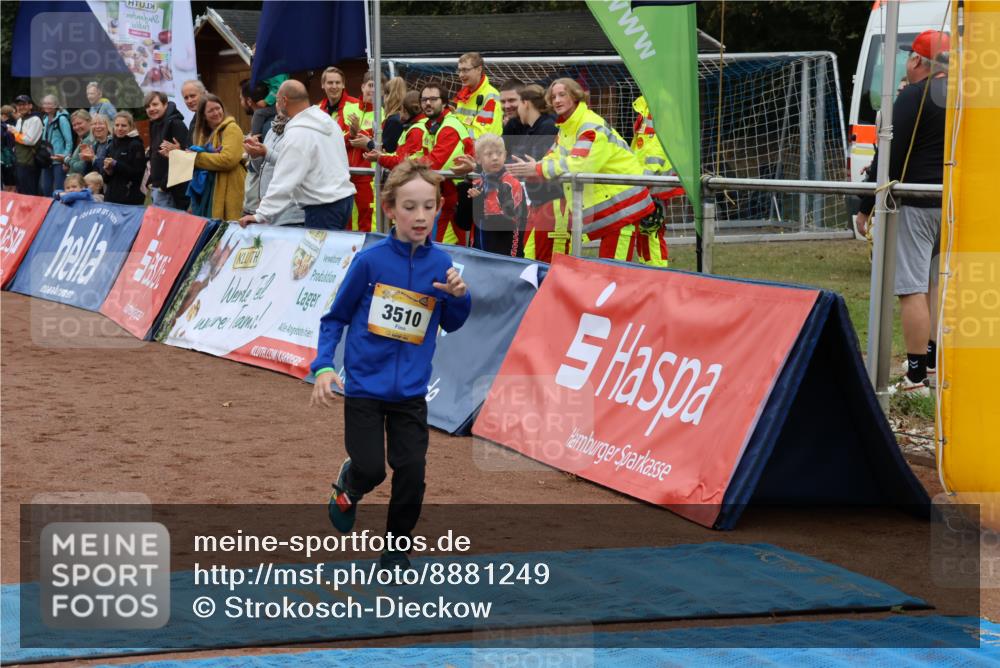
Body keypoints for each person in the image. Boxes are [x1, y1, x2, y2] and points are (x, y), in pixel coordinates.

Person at [310, 159, 471, 575]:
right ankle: (350, 485)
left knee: (412, 475)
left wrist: (458, 295)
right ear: (390, 209)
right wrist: (325, 365)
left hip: (411, 394)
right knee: (370, 469)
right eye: (410, 207)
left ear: (438, 209)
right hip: (364, 388)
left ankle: (396, 553)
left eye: (429, 207)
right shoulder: (370, 262)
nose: (420, 217)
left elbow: (453, 322)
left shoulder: (442, 266)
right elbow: (335, 318)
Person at [856, 30, 949, 395]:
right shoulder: (964, 99)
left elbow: (888, 157)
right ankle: (934, 362)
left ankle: (914, 377)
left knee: (911, 289)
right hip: (954, 205)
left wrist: (865, 208)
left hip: (917, 204)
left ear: (916, 62)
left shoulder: (914, 95)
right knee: (934, 285)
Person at [508, 78, 654, 262]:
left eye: (562, 95)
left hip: (624, 204)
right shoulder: (566, 127)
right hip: (613, 205)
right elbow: (555, 155)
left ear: (576, 96)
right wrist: (536, 167)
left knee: (613, 271)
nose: (557, 100)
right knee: (609, 270)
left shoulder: (589, 126)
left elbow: (579, 163)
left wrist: (537, 168)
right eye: (553, 97)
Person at [239, 80, 354, 230]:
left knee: (317, 253)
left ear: (284, 101)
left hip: (322, 206)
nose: (275, 104)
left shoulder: (298, 133)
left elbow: (284, 179)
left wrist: (260, 215)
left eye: (277, 100)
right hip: (343, 199)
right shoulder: (327, 121)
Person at [503, 84, 563, 262]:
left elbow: (527, 166)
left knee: (542, 260)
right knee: (529, 257)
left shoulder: (547, 128)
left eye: (517, 103)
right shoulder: (530, 128)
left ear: (526, 103)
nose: (512, 110)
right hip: (536, 204)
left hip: (550, 204)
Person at [416, 80, 474, 245]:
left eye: (433, 99)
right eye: (424, 99)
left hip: (456, 193)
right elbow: (423, 157)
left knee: (449, 246)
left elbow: (433, 163)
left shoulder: (449, 126)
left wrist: (405, 166)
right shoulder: (432, 125)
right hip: (445, 192)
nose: (428, 103)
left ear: (444, 102)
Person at [630, 95, 682, 268]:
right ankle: (648, 269)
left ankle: (657, 271)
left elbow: (657, 147)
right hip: (646, 181)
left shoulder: (660, 105)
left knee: (651, 230)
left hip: (654, 182)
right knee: (644, 231)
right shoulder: (646, 106)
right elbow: (642, 146)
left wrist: (647, 174)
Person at [465, 133, 527, 256]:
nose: (495, 158)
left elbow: (507, 223)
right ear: (478, 158)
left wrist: (480, 201)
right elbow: (464, 223)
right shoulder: (477, 184)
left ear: (505, 155)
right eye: (489, 154)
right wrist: (464, 192)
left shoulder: (511, 184)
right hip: (479, 253)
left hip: (508, 255)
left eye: (499, 153)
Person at [189, 94, 247, 220]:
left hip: (231, 188)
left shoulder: (232, 129)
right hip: (209, 189)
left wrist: (196, 158)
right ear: (203, 116)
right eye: (211, 110)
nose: (216, 113)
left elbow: (228, 160)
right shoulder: (203, 134)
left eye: (218, 108)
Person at [345, 70, 387, 232]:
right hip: (346, 173)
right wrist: (352, 134)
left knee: (368, 217)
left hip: (369, 176)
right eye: (370, 85)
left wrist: (361, 136)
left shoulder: (384, 114)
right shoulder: (348, 109)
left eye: (378, 87)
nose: (373, 90)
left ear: (383, 92)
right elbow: (339, 138)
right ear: (362, 87)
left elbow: (383, 147)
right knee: (347, 217)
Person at [145, 91, 191, 210]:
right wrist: (152, 180)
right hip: (158, 186)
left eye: (155, 104)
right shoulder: (155, 124)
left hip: (172, 191)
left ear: (165, 104)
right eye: (148, 106)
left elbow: (184, 159)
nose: (151, 109)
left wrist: (163, 186)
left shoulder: (176, 124)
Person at [365, 91, 427, 170]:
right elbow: (399, 155)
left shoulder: (417, 130)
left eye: (401, 110)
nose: (399, 113)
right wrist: (383, 155)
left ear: (406, 110)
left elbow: (404, 162)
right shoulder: (415, 127)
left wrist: (380, 157)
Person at [452, 52, 502, 139]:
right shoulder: (463, 96)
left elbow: (484, 135)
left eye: (465, 70)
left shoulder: (491, 97)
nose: (461, 75)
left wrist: (453, 134)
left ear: (479, 69)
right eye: (459, 70)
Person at [102, 111, 147, 205]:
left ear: (131, 127)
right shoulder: (111, 145)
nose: (119, 128)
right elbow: (106, 179)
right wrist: (107, 172)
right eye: (117, 125)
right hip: (110, 197)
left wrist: (116, 164)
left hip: (129, 199)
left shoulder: (136, 145)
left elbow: (138, 174)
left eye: (123, 125)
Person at [10, 95, 43, 195]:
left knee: (30, 193)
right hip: (19, 161)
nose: (21, 107)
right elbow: (18, 137)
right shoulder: (20, 120)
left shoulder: (35, 120)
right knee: (21, 193)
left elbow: (30, 140)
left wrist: (13, 133)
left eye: (24, 104)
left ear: (30, 106)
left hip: (29, 163)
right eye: (19, 105)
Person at [39, 95, 73, 196]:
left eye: (49, 104)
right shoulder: (45, 119)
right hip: (47, 159)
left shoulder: (61, 119)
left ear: (56, 105)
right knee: (45, 188)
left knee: (59, 188)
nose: (47, 106)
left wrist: (65, 158)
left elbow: (69, 141)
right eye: (45, 103)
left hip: (58, 160)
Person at [81, 113, 113, 178]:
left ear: (108, 126)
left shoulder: (112, 143)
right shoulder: (94, 145)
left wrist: (93, 159)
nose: (97, 127)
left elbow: (107, 171)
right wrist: (87, 161)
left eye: (101, 124)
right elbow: (86, 173)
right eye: (94, 124)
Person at [64, 110, 94, 176]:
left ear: (89, 121)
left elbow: (81, 167)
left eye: (79, 123)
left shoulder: (88, 140)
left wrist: (66, 160)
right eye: (74, 125)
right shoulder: (84, 139)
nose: (77, 127)